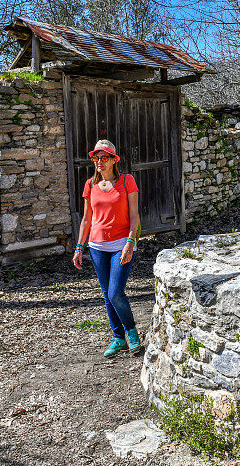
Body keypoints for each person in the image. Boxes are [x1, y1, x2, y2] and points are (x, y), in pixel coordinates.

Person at [72, 139, 142, 358]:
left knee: (115, 293)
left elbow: (134, 216)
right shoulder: (90, 185)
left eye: (104, 158)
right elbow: (86, 219)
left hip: (121, 243)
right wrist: (79, 246)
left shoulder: (127, 180)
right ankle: (118, 337)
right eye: (96, 158)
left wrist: (131, 242)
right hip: (96, 246)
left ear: (113, 160)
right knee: (106, 294)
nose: (99, 162)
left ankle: (132, 333)